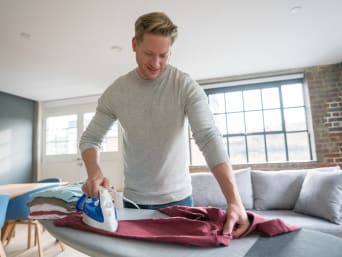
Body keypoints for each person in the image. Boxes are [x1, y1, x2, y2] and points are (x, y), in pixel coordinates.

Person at [79, 12, 249, 238]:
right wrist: (95, 171)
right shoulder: (116, 92)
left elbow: (208, 137)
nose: (156, 63)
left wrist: (234, 201)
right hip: (134, 202)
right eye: (149, 53)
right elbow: (90, 139)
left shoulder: (185, 86)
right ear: (134, 44)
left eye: (163, 55)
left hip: (179, 200)